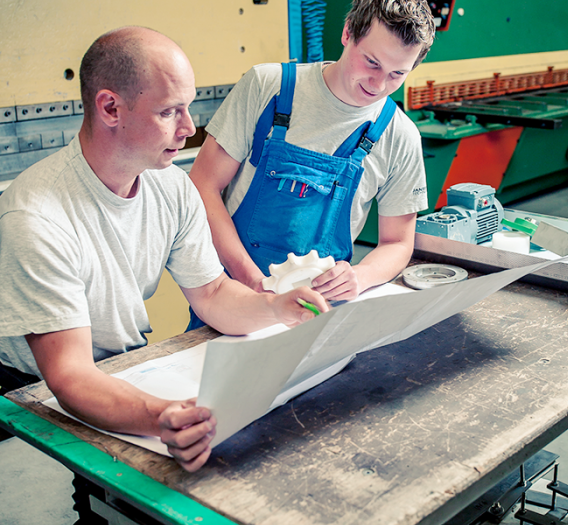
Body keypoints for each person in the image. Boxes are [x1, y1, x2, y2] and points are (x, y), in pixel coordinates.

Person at [0, 26, 328, 474]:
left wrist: (275, 307)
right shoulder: (36, 218)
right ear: (111, 107)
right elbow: (69, 376)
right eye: (170, 112)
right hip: (31, 391)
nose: (189, 128)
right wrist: (161, 418)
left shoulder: (171, 186)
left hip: (122, 363)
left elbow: (212, 294)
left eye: (187, 108)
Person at [187, 0, 435, 329]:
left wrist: (359, 278)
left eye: (396, 74)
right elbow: (203, 186)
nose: (377, 84)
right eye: (371, 62)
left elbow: (398, 242)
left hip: (318, 314)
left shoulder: (400, 136)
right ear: (348, 34)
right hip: (233, 303)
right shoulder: (268, 87)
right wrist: (254, 284)